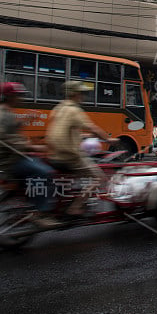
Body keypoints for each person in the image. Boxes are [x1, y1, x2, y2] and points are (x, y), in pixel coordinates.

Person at [0, 82, 61, 228]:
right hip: (7, 159)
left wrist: (26, 120)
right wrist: (38, 147)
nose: (21, 99)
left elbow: (9, 131)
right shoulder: (5, 114)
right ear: (10, 97)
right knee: (45, 172)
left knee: (37, 162)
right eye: (19, 96)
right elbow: (12, 142)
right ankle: (40, 213)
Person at [46, 81, 115, 216]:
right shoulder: (74, 110)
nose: (83, 96)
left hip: (54, 155)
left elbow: (65, 130)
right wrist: (109, 139)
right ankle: (75, 207)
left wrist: (83, 135)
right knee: (99, 178)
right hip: (69, 158)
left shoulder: (58, 108)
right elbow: (93, 127)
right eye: (81, 93)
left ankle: (67, 201)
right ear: (74, 94)